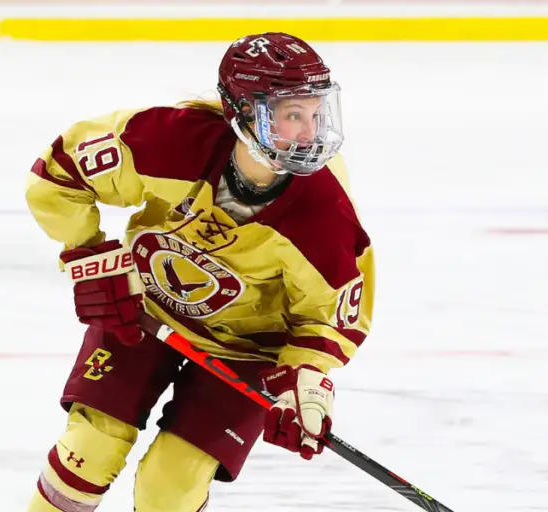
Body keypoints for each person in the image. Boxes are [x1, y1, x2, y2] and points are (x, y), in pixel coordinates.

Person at [24, 32, 374, 512]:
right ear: (244, 112)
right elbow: (59, 175)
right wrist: (90, 258)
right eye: (293, 115)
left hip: (248, 351)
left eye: (315, 113)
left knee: (169, 488)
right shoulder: (171, 141)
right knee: (88, 449)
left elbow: (329, 319)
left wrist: (306, 385)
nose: (310, 134)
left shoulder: (324, 212)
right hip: (143, 310)